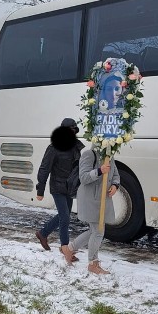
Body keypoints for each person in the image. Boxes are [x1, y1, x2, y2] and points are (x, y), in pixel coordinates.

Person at [62, 144, 120, 275]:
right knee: (99, 231)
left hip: (103, 199)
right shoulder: (89, 154)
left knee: (94, 230)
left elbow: (115, 174)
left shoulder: (109, 156)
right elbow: (83, 177)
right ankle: (93, 264)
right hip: (90, 198)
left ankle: (70, 249)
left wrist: (115, 185)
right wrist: (99, 171)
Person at [34, 118, 84, 258]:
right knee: (65, 217)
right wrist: (40, 189)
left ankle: (43, 233)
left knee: (64, 215)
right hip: (57, 187)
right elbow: (44, 168)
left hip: (69, 187)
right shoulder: (54, 148)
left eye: (74, 131)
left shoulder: (76, 147)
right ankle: (65, 249)